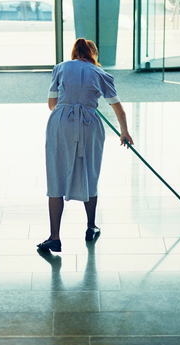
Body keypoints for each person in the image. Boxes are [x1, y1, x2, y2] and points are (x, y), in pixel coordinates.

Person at [37, 39, 133, 253]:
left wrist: (69, 102)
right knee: (90, 173)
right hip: (89, 123)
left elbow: (52, 104)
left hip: (60, 122)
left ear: (74, 53)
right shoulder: (101, 74)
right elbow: (119, 110)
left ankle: (54, 237)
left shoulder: (60, 69)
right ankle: (91, 227)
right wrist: (124, 132)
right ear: (93, 54)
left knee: (56, 175)